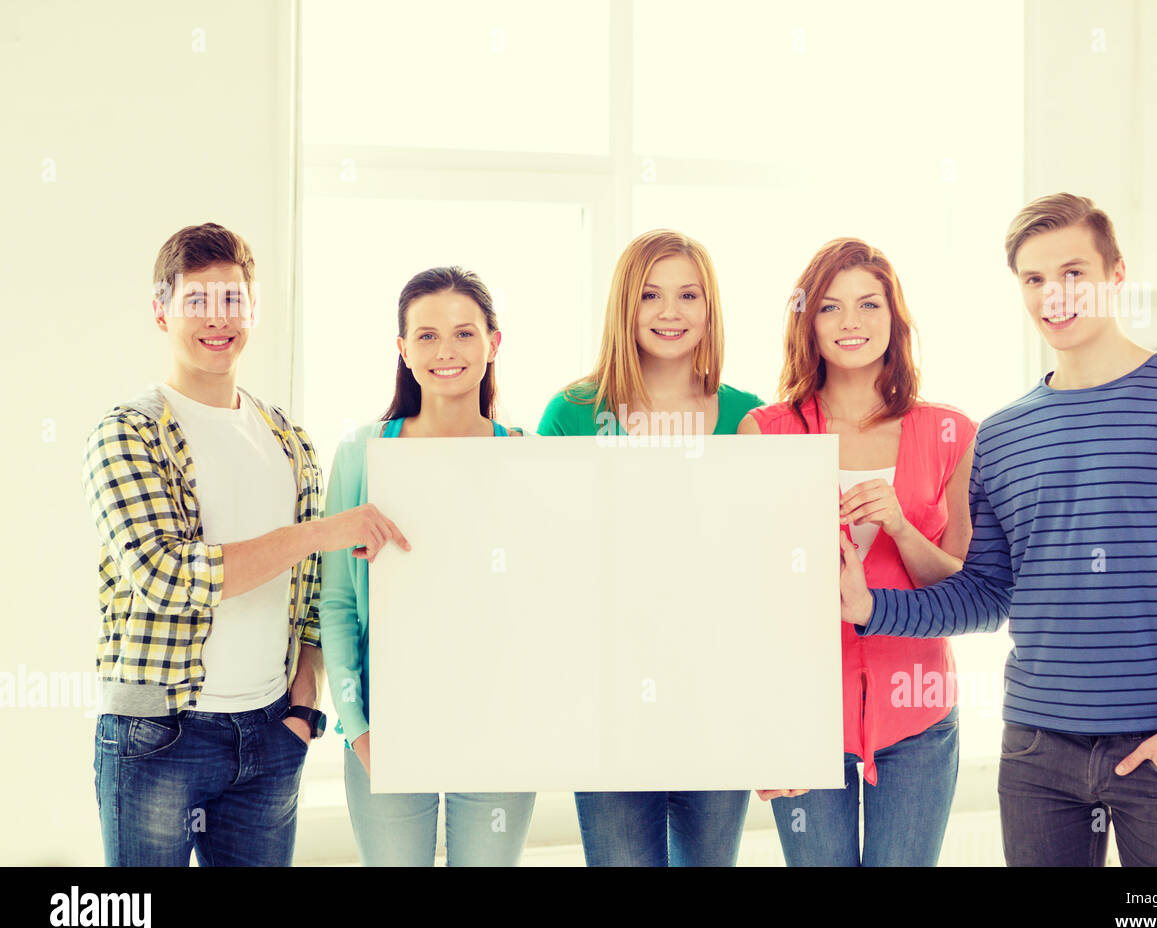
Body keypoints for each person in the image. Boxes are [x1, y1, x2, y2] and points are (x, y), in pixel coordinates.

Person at [839, 193, 1157, 866]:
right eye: (1034, 280)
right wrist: (872, 608)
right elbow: (985, 595)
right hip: (1037, 753)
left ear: (1116, 275)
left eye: (1074, 273)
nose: (1054, 296)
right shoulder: (1004, 434)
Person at [82, 223, 405, 866]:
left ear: (252, 309)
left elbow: (312, 593)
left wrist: (303, 710)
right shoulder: (128, 434)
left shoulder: (289, 441)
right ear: (161, 309)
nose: (217, 319)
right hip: (157, 737)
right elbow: (169, 577)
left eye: (232, 300)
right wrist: (324, 530)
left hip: (269, 734)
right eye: (196, 300)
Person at [739, 238, 975, 866]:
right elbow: (750, 599)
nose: (851, 323)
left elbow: (961, 586)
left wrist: (901, 527)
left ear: (895, 319)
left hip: (918, 716)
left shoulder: (949, 432)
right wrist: (766, 729)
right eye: (830, 307)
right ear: (806, 322)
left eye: (869, 304)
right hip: (805, 713)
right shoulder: (766, 432)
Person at [537, 228, 763, 866]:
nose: (671, 312)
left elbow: (766, 576)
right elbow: (546, 557)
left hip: (716, 696)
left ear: (709, 308)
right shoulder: (574, 413)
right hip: (608, 699)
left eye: (689, 294)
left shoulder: (750, 417)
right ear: (624, 307)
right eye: (651, 295)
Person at [321, 265, 537, 866]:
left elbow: (544, 599)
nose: (447, 351)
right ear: (402, 349)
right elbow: (336, 602)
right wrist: (357, 727)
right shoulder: (362, 453)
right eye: (427, 336)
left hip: (500, 726)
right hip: (389, 727)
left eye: (465, 334)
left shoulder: (528, 457)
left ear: (494, 343)